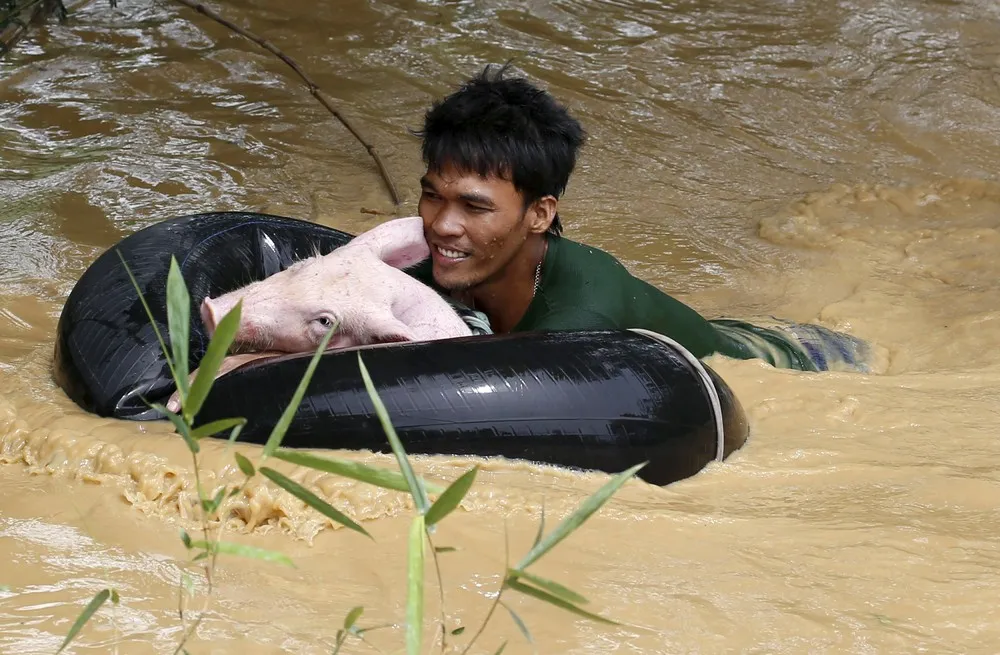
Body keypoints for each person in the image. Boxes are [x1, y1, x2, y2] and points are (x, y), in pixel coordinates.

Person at [405, 63, 879, 374]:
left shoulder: (580, 319)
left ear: (540, 214)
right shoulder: (455, 260)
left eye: (475, 206)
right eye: (432, 196)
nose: (442, 224)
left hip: (796, 362)